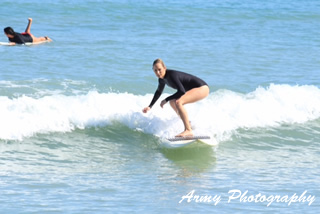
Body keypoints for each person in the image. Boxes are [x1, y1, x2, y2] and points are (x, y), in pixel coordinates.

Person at [142, 58, 210, 137]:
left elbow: (181, 91)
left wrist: (166, 99)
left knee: (178, 102)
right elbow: (158, 92)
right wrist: (150, 106)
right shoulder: (161, 80)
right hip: (198, 89)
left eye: (159, 69)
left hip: (202, 88)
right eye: (155, 70)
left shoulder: (172, 75)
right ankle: (189, 124)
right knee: (172, 102)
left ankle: (188, 130)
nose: (158, 72)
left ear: (165, 68)